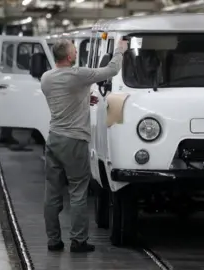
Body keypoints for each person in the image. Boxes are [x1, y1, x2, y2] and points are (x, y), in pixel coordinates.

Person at [40, 38, 127, 253]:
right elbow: (112, 70)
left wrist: (83, 99)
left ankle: (53, 241)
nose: (76, 53)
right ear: (69, 56)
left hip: (53, 139)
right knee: (78, 191)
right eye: (74, 51)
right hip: (74, 141)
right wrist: (120, 49)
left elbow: (64, 98)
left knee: (52, 192)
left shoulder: (46, 78)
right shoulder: (78, 74)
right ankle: (78, 241)